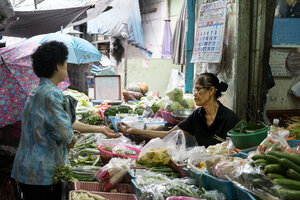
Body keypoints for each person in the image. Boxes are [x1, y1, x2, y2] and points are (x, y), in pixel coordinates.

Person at [11, 41, 119, 200]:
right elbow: (66, 135)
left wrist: (100, 129)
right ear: (57, 66)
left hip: (30, 169)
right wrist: (72, 139)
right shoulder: (51, 95)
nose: (67, 67)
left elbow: (64, 123)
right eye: (65, 63)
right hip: (41, 173)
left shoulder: (40, 90)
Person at [117, 73, 241, 147]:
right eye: (194, 90)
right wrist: (136, 130)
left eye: (198, 89)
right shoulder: (197, 116)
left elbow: (238, 150)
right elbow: (168, 135)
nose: (195, 94)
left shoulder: (229, 119)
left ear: (211, 90)